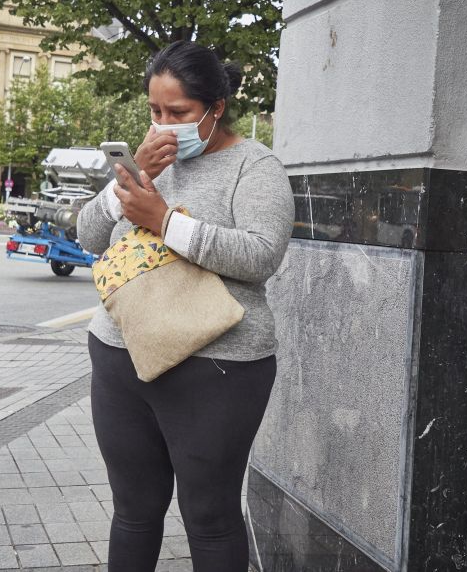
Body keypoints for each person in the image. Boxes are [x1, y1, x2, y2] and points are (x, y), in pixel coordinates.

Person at [77, 41, 295, 571]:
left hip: (217, 368)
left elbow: (262, 254)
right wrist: (125, 183)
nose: (163, 124)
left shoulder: (255, 166)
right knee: (132, 510)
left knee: (210, 515)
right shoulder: (149, 161)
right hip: (120, 357)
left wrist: (165, 222)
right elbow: (89, 235)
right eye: (155, 111)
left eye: (178, 113)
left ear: (215, 107)